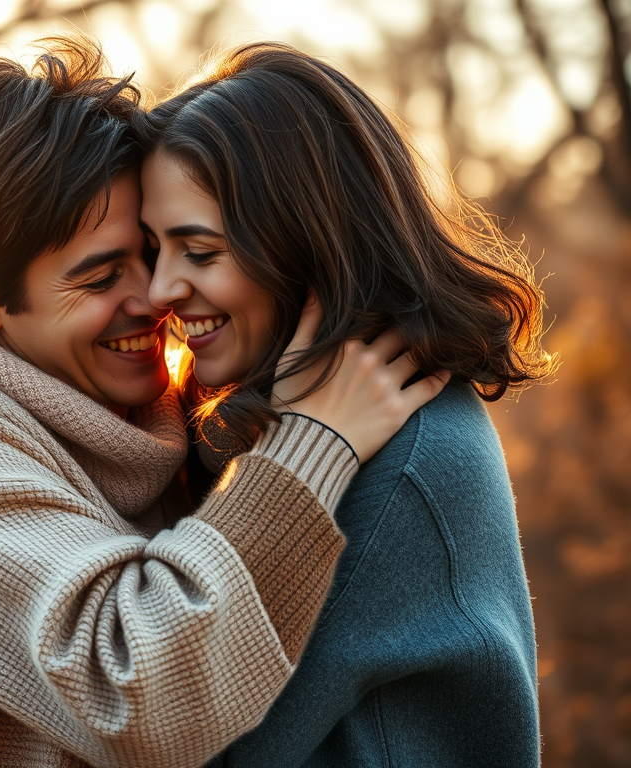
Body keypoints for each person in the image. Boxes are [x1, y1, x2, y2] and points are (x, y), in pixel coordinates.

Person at [0, 36, 447, 768]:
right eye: (101, 274)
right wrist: (314, 441)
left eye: (151, 250)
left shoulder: (151, 411)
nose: (153, 296)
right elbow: (138, 694)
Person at [138, 42, 555, 768]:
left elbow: (191, 745)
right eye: (153, 249)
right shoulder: (256, 415)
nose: (159, 290)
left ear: (303, 244)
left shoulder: (404, 465)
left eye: (199, 252)